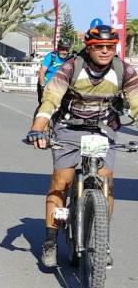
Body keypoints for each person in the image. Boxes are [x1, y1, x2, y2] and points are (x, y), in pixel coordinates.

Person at [26, 24, 138, 269]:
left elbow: (136, 100)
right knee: (61, 182)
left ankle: (101, 240)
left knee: (106, 182)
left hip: (103, 129)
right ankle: (50, 240)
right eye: (99, 47)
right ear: (89, 48)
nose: (105, 51)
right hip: (68, 128)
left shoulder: (124, 71)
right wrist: (38, 127)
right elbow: (51, 99)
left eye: (110, 47)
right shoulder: (71, 67)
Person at [37, 38, 72, 104]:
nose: (64, 52)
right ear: (58, 48)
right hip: (46, 84)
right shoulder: (51, 56)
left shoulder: (70, 58)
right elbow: (42, 72)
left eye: (67, 50)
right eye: (62, 49)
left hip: (61, 86)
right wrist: (42, 87)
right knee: (44, 105)